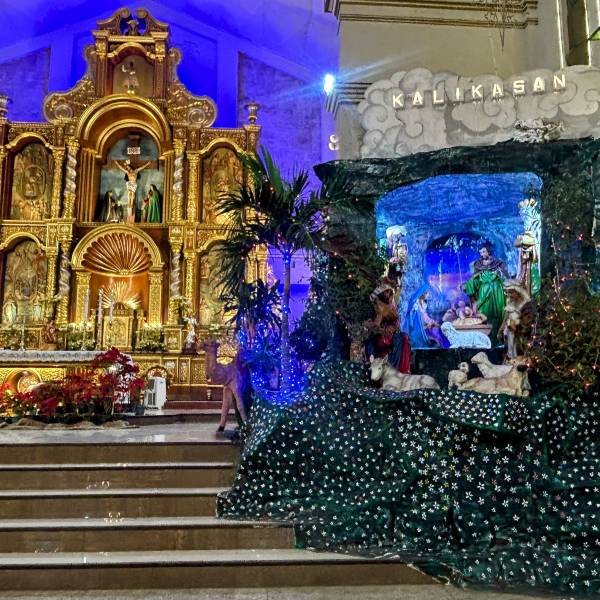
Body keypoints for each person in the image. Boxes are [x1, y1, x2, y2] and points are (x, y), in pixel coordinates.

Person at [463, 244, 509, 339]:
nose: (482, 254)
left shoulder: (498, 263)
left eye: (484, 251)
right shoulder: (478, 264)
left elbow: (505, 276)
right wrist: (468, 285)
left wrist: (498, 275)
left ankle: (498, 336)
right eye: (480, 252)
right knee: (484, 311)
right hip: (483, 291)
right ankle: (486, 337)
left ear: (488, 251)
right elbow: (474, 278)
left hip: (497, 290)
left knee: (497, 312)